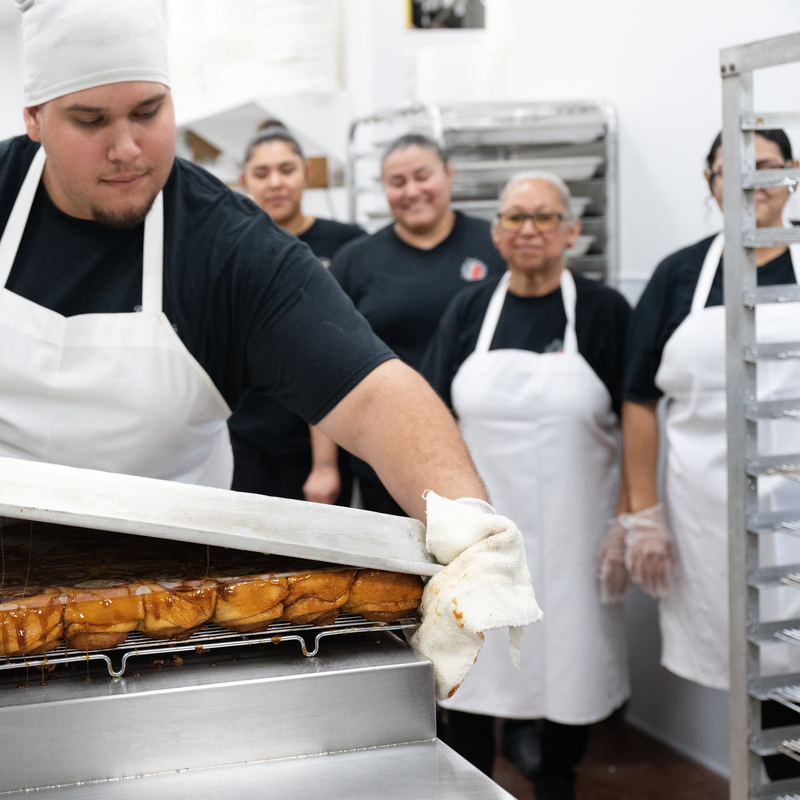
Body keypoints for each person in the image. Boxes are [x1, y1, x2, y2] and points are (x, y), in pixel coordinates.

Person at [0, 0, 492, 552]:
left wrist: (467, 525)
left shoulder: (229, 250)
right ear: (34, 119)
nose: (127, 148)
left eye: (148, 112)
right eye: (90, 121)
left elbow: (377, 397)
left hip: (162, 592)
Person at [421, 172, 632, 800]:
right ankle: (473, 785)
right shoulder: (469, 310)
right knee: (475, 660)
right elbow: (434, 416)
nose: (529, 229)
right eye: (514, 217)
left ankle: (557, 778)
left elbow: (639, 419)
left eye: (544, 217)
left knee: (571, 658)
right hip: (482, 534)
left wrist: (630, 519)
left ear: (571, 231)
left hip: (575, 530)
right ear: (496, 233)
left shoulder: (603, 312)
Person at [622, 129, 800, 775]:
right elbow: (639, 400)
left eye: (766, 166)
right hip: (712, 514)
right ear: (710, 181)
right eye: (732, 170)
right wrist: (644, 516)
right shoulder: (680, 275)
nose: (750, 181)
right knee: (752, 676)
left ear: (792, 172)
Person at [331, 133, 504, 515]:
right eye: (397, 182)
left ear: (449, 174)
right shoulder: (356, 260)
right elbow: (327, 363)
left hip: (486, 449)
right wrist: (325, 465)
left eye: (422, 177)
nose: (412, 191)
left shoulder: (495, 246)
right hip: (387, 456)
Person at [228, 120, 365, 504]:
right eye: (262, 173)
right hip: (245, 437)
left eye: (286, 170)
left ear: (307, 173)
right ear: (244, 180)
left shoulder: (348, 244)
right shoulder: (229, 247)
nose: (275, 183)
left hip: (327, 436)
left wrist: (325, 464)